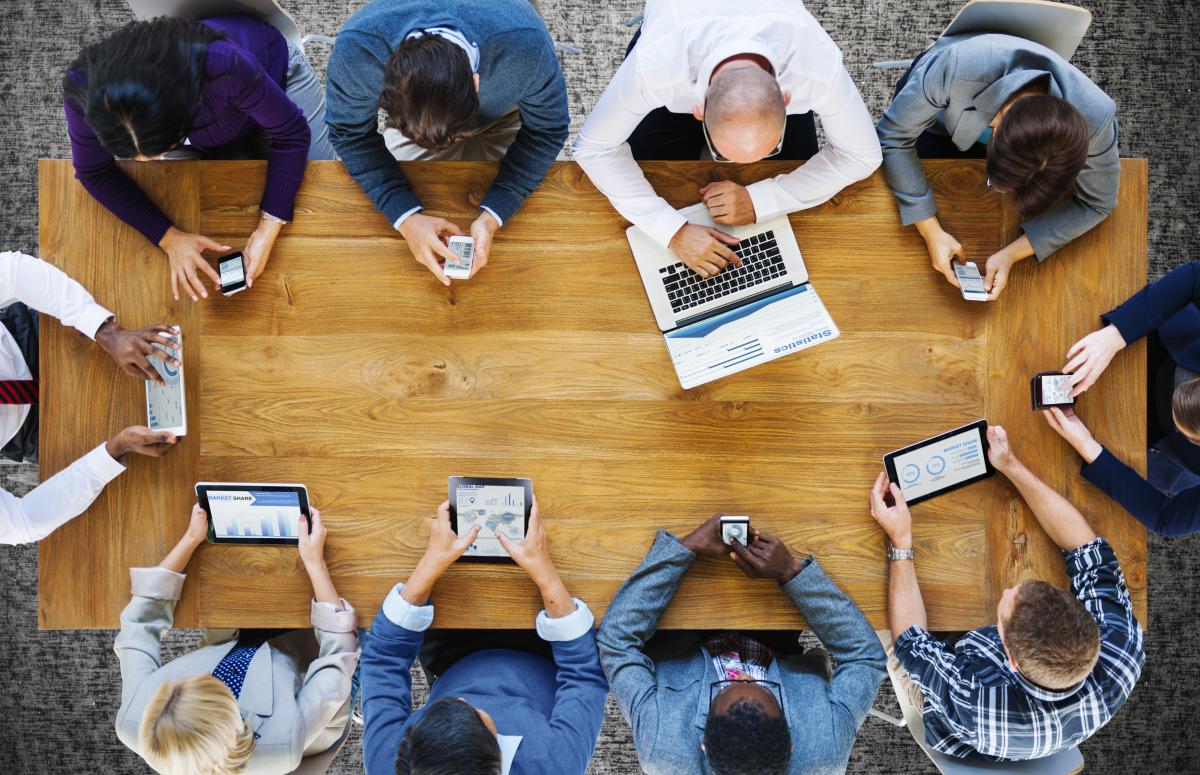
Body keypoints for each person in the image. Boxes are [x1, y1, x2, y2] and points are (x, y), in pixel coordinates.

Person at [869, 426, 1143, 760]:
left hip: (958, 709)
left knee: (866, 604)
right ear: (1080, 610)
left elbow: (912, 642)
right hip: (1031, 719)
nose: (1008, 589)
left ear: (1009, 657)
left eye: (1005, 607)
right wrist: (1010, 464)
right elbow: (1086, 549)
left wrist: (901, 541)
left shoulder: (975, 703)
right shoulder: (1122, 645)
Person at [573, 0, 881, 279]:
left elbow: (862, 155)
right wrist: (671, 231)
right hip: (678, 43)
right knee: (648, 170)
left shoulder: (816, 67)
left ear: (787, 98)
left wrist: (763, 200)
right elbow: (594, 148)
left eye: (768, 147)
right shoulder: (655, 66)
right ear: (698, 110)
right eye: (723, 153)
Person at [64, 14, 335, 302]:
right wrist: (168, 238)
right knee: (193, 209)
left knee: (327, 194)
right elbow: (94, 172)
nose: (148, 161)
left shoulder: (223, 65)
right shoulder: (83, 90)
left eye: (160, 149)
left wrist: (267, 230)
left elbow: (292, 133)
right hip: (208, 129)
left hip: (276, 82)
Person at [598, 514, 886, 774]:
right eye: (758, 686)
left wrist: (686, 549)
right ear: (791, 744)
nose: (744, 675)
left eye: (729, 686)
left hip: (682, 634)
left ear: (702, 744)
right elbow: (866, 658)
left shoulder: (663, 748)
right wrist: (791, 573)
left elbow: (616, 644)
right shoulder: (826, 751)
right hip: (775, 640)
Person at [326, 0, 569, 286]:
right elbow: (349, 133)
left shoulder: (527, 45)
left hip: (503, 111)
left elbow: (548, 129)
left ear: (477, 84)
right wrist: (404, 217)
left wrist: (495, 214)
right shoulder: (357, 53)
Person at [361, 498, 607, 775]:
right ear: (498, 755)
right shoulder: (554, 766)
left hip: (452, 655)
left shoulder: (390, 764)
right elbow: (584, 677)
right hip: (552, 652)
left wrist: (430, 564)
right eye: (476, 715)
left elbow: (381, 662)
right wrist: (545, 572)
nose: (464, 699)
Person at [115, 505, 359, 774]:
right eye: (208, 683)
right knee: (363, 624)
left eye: (177, 683)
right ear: (234, 714)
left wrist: (191, 539)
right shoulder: (282, 741)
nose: (204, 672)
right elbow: (337, 659)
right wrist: (315, 563)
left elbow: (139, 624)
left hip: (232, 647)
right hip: (306, 685)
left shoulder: (135, 718)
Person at [876, 33, 1120, 299]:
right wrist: (930, 230)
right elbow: (893, 136)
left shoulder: (1096, 120)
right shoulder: (955, 67)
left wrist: (1011, 254)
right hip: (937, 117)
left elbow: (1098, 203)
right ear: (995, 129)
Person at [0, 250, 178, 545]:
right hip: (36, 431)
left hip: (35, 337)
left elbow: (10, 271)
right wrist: (112, 452)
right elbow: (23, 524)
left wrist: (104, 330)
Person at [1046, 261, 1200, 535]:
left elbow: (1166, 519)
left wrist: (1087, 446)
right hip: (1164, 343)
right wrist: (1116, 335)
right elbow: (1195, 277)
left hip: (1152, 442)